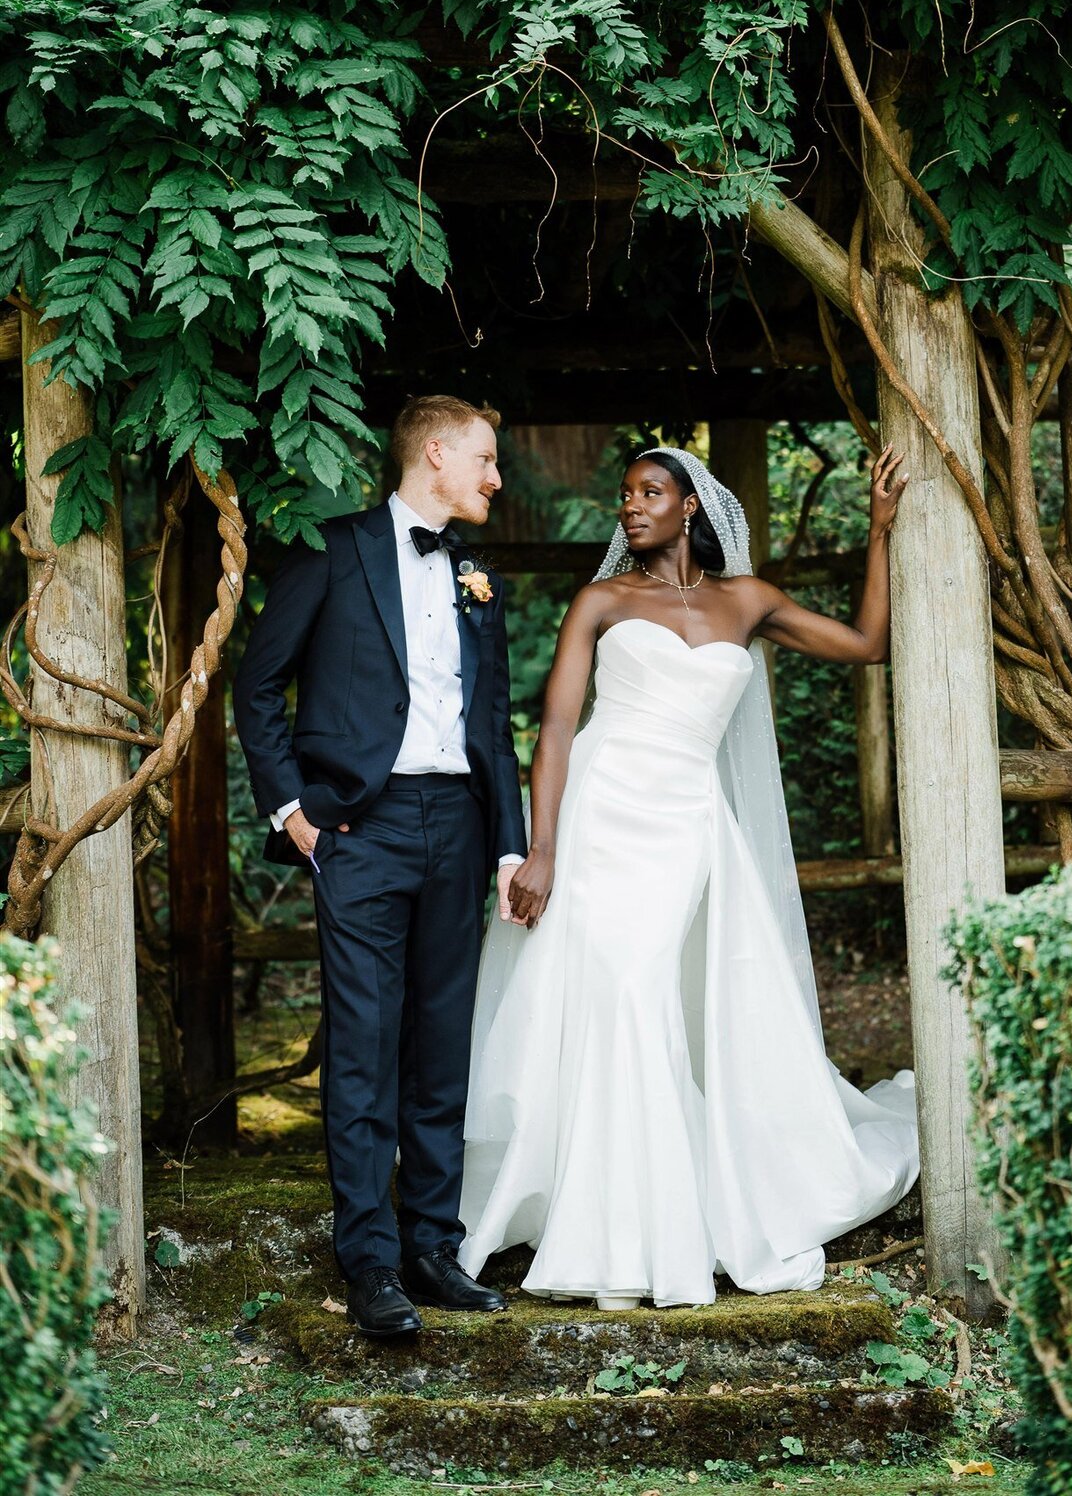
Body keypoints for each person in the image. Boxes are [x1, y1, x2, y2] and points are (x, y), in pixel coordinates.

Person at [459, 443, 919, 1310]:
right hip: (601, 814)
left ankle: (655, 1220)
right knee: (620, 993)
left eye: (649, 492)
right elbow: (555, 729)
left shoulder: (747, 600)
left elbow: (866, 645)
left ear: (691, 506)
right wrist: (542, 848)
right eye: (625, 494)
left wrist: (879, 530)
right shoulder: (602, 600)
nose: (630, 506)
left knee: (652, 991)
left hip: (686, 824)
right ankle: (617, 1227)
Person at [233, 396, 526, 1339]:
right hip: (360, 827)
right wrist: (294, 813)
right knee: (363, 1044)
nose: (495, 478)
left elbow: (493, 722)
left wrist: (510, 843)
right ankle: (369, 1262)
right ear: (435, 454)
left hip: (461, 827)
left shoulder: (478, 574)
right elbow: (257, 683)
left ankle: (432, 1249)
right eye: (483, 460)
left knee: (442, 1044)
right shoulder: (331, 549)